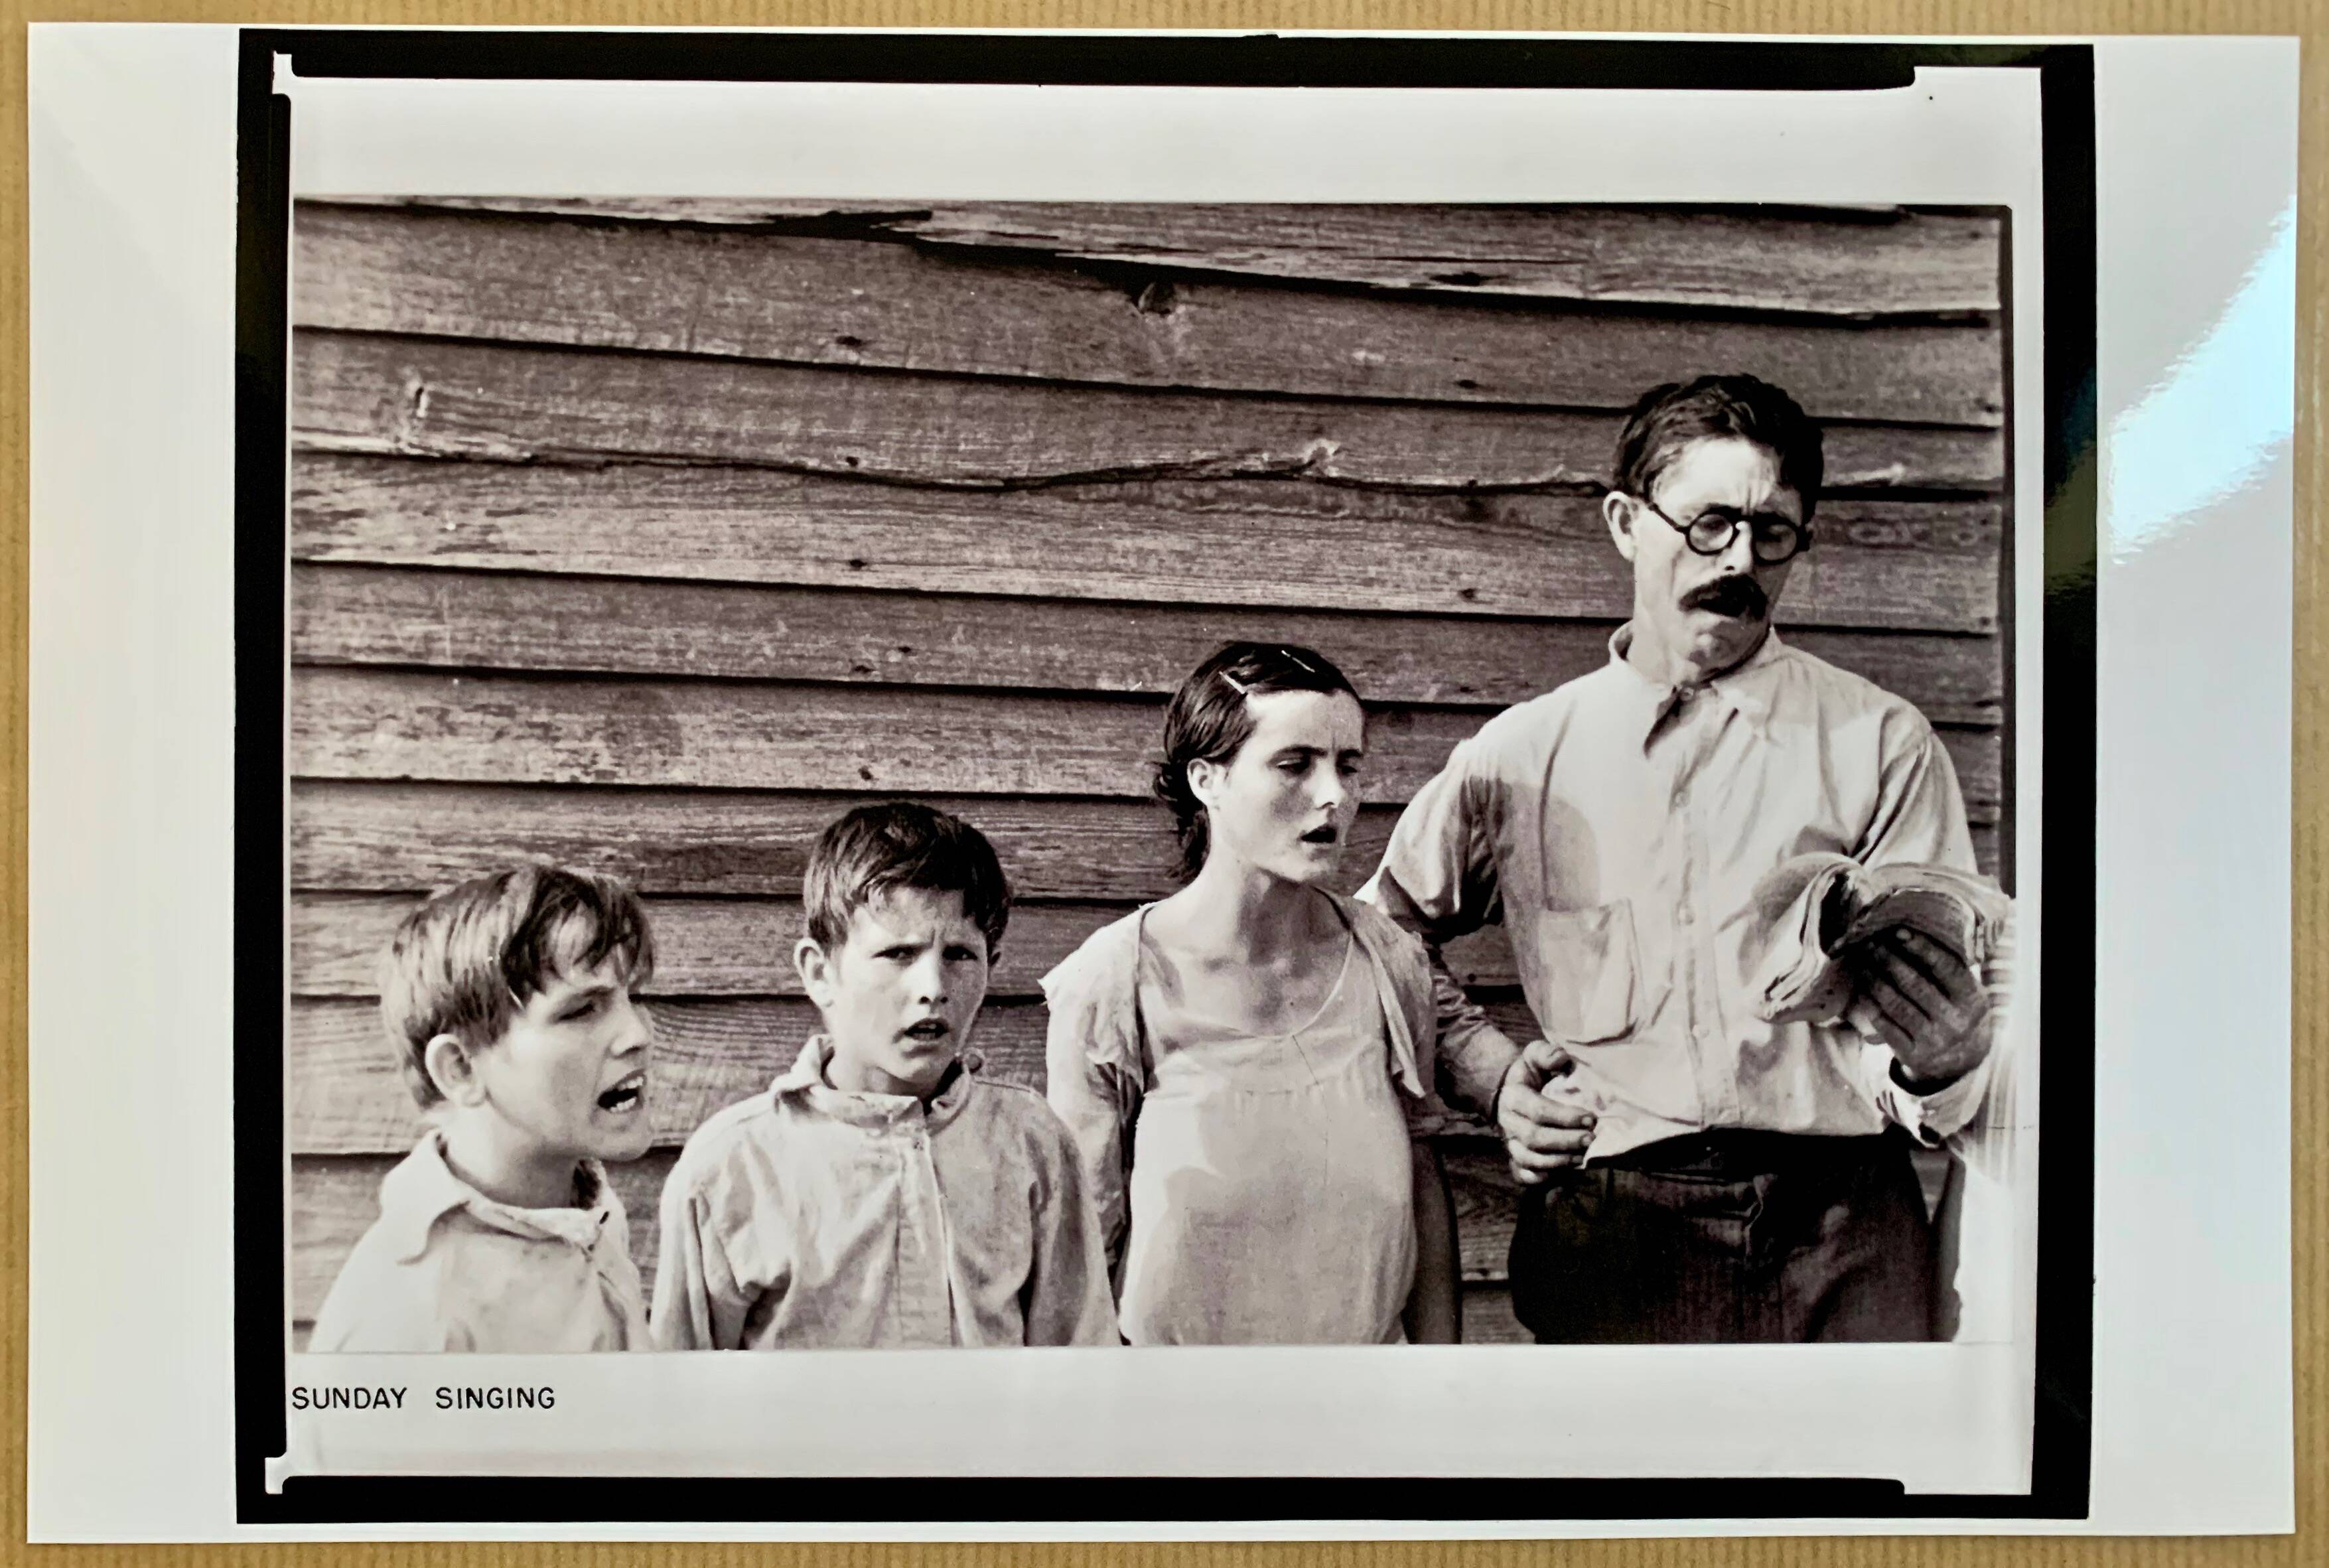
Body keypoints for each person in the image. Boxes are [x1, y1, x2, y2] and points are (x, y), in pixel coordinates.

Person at [1360, 374, 2003, 1343]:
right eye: (1707, 523)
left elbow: (1934, 1017)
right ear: (1626, 521)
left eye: (1772, 531)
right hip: (1616, 1226)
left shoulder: (1881, 742)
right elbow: (1383, 937)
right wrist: (1494, 1077)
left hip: (1843, 1229)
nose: (1738, 560)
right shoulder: (1522, 757)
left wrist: (1945, 1055)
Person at [1044, 642, 1462, 1345]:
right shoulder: (1114, 981)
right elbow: (1080, 1245)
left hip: (1364, 1410)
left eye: (1348, 765)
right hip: (1178, 1420)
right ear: (1207, 779)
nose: (1334, 794)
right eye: (1295, 764)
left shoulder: (1388, 959)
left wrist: (1441, 1382)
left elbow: (1421, 1185)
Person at [652, 802, 1117, 1348]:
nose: (933, 986)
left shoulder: (1030, 1142)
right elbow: (681, 1392)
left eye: (961, 955)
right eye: (898, 953)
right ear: (820, 973)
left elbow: (1079, 1363)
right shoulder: (733, 1166)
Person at [309, 864, 659, 1352]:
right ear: (461, 1069)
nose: (638, 1034)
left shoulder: (582, 1210)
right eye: (581, 1009)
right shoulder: (406, 1319)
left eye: (633, 996)